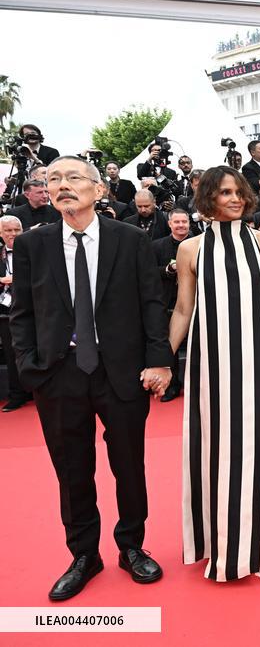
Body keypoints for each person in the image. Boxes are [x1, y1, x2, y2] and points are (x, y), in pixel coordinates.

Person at [11, 155, 172, 600]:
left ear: (99, 190)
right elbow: (22, 312)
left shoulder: (130, 239)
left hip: (120, 371)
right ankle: (84, 555)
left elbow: (152, 304)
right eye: (53, 179)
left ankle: (131, 546)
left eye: (73, 177)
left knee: (129, 465)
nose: (62, 185)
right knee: (72, 470)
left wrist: (159, 361)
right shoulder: (32, 245)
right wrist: (30, 366)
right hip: (59, 374)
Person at [169, 166, 260, 581]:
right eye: (224, 192)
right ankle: (222, 539)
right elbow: (183, 308)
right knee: (215, 445)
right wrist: (163, 357)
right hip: (210, 361)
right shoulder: (190, 249)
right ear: (208, 198)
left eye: (238, 192)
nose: (233, 199)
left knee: (259, 443)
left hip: (258, 356)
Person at [152, 209, 191, 402]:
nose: (181, 225)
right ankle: (172, 385)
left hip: (195, 301)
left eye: (184, 222)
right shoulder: (157, 246)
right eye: (177, 222)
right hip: (168, 302)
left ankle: (198, 385)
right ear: (169, 224)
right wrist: (168, 269)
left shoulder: (201, 243)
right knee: (170, 344)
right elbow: (150, 271)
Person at [0, 215, 29, 412]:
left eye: (16, 230)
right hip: (5, 312)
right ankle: (17, 394)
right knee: (11, 355)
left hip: (32, 309)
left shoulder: (33, 250)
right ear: (0, 233)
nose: (13, 234)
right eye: (8, 230)